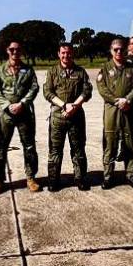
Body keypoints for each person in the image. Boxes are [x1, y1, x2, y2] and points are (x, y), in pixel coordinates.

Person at [0, 41, 41, 194]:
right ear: (7, 51)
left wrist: (23, 103)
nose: (14, 52)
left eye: (18, 50)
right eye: (12, 49)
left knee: (29, 147)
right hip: (6, 115)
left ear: (21, 51)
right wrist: (7, 105)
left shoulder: (28, 70)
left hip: (24, 113)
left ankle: (31, 178)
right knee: (0, 148)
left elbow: (34, 88)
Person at [43, 42, 92, 191]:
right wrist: (64, 105)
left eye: (69, 53)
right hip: (58, 117)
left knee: (78, 149)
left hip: (76, 116)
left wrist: (74, 106)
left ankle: (80, 178)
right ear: (58, 54)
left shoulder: (80, 72)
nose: (66, 56)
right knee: (55, 151)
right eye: (63, 53)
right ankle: (53, 180)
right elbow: (48, 92)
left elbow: (87, 91)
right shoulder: (52, 71)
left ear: (72, 54)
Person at [97, 38, 133, 189]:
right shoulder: (105, 68)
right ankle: (108, 177)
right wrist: (117, 101)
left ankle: (130, 175)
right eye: (115, 49)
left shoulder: (132, 68)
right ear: (111, 51)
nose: (118, 52)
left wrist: (128, 100)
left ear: (125, 50)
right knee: (110, 144)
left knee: (130, 144)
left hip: (129, 111)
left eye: (121, 49)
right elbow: (102, 88)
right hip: (112, 111)